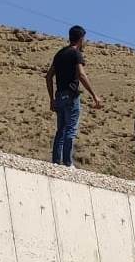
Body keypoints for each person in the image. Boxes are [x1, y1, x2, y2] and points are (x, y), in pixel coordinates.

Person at [44, 25, 102, 167]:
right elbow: (81, 75)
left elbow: (49, 76)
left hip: (59, 96)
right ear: (81, 39)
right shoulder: (76, 54)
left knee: (61, 130)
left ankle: (56, 162)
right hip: (71, 96)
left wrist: (51, 99)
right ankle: (67, 163)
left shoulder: (59, 54)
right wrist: (94, 95)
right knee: (70, 129)